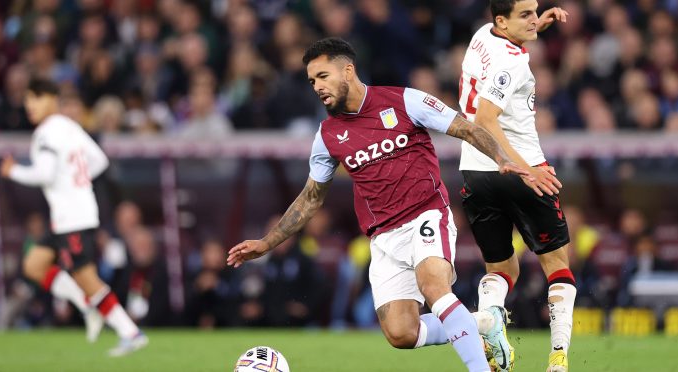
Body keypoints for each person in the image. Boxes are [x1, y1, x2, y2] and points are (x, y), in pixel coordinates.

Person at [228, 37, 534, 372]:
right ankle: (484, 324)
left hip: (426, 215)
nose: (317, 86)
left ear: (348, 70)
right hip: (384, 237)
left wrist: (504, 159)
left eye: (323, 76)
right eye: (312, 81)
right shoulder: (327, 136)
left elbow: (465, 128)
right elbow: (311, 197)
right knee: (402, 333)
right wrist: (267, 243)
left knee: (434, 286)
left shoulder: (404, 100)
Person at [456, 1, 575, 371]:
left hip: (475, 173)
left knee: (503, 270)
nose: (533, 19)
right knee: (558, 269)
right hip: (520, 168)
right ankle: (558, 358)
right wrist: (525, 170)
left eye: (534, 11)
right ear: (502, 20)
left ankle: (490, 320)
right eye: (526, 14)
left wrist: (542, 21)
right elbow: (487, 118)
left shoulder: (481, 37)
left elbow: (505, 43)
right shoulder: (515, 62)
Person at [0, 78, 147, 357]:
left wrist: (13, 171)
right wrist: (76, 181)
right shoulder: (70, 127)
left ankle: (130, 332)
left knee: (85, 276)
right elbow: (99, 161)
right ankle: (87, 306)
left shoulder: (46, 132)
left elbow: (43, 174)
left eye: (37, 98)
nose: (30, 105)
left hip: (72, 217)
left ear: (53, 100)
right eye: (28, 100)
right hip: (68, 215)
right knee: (34, 265)